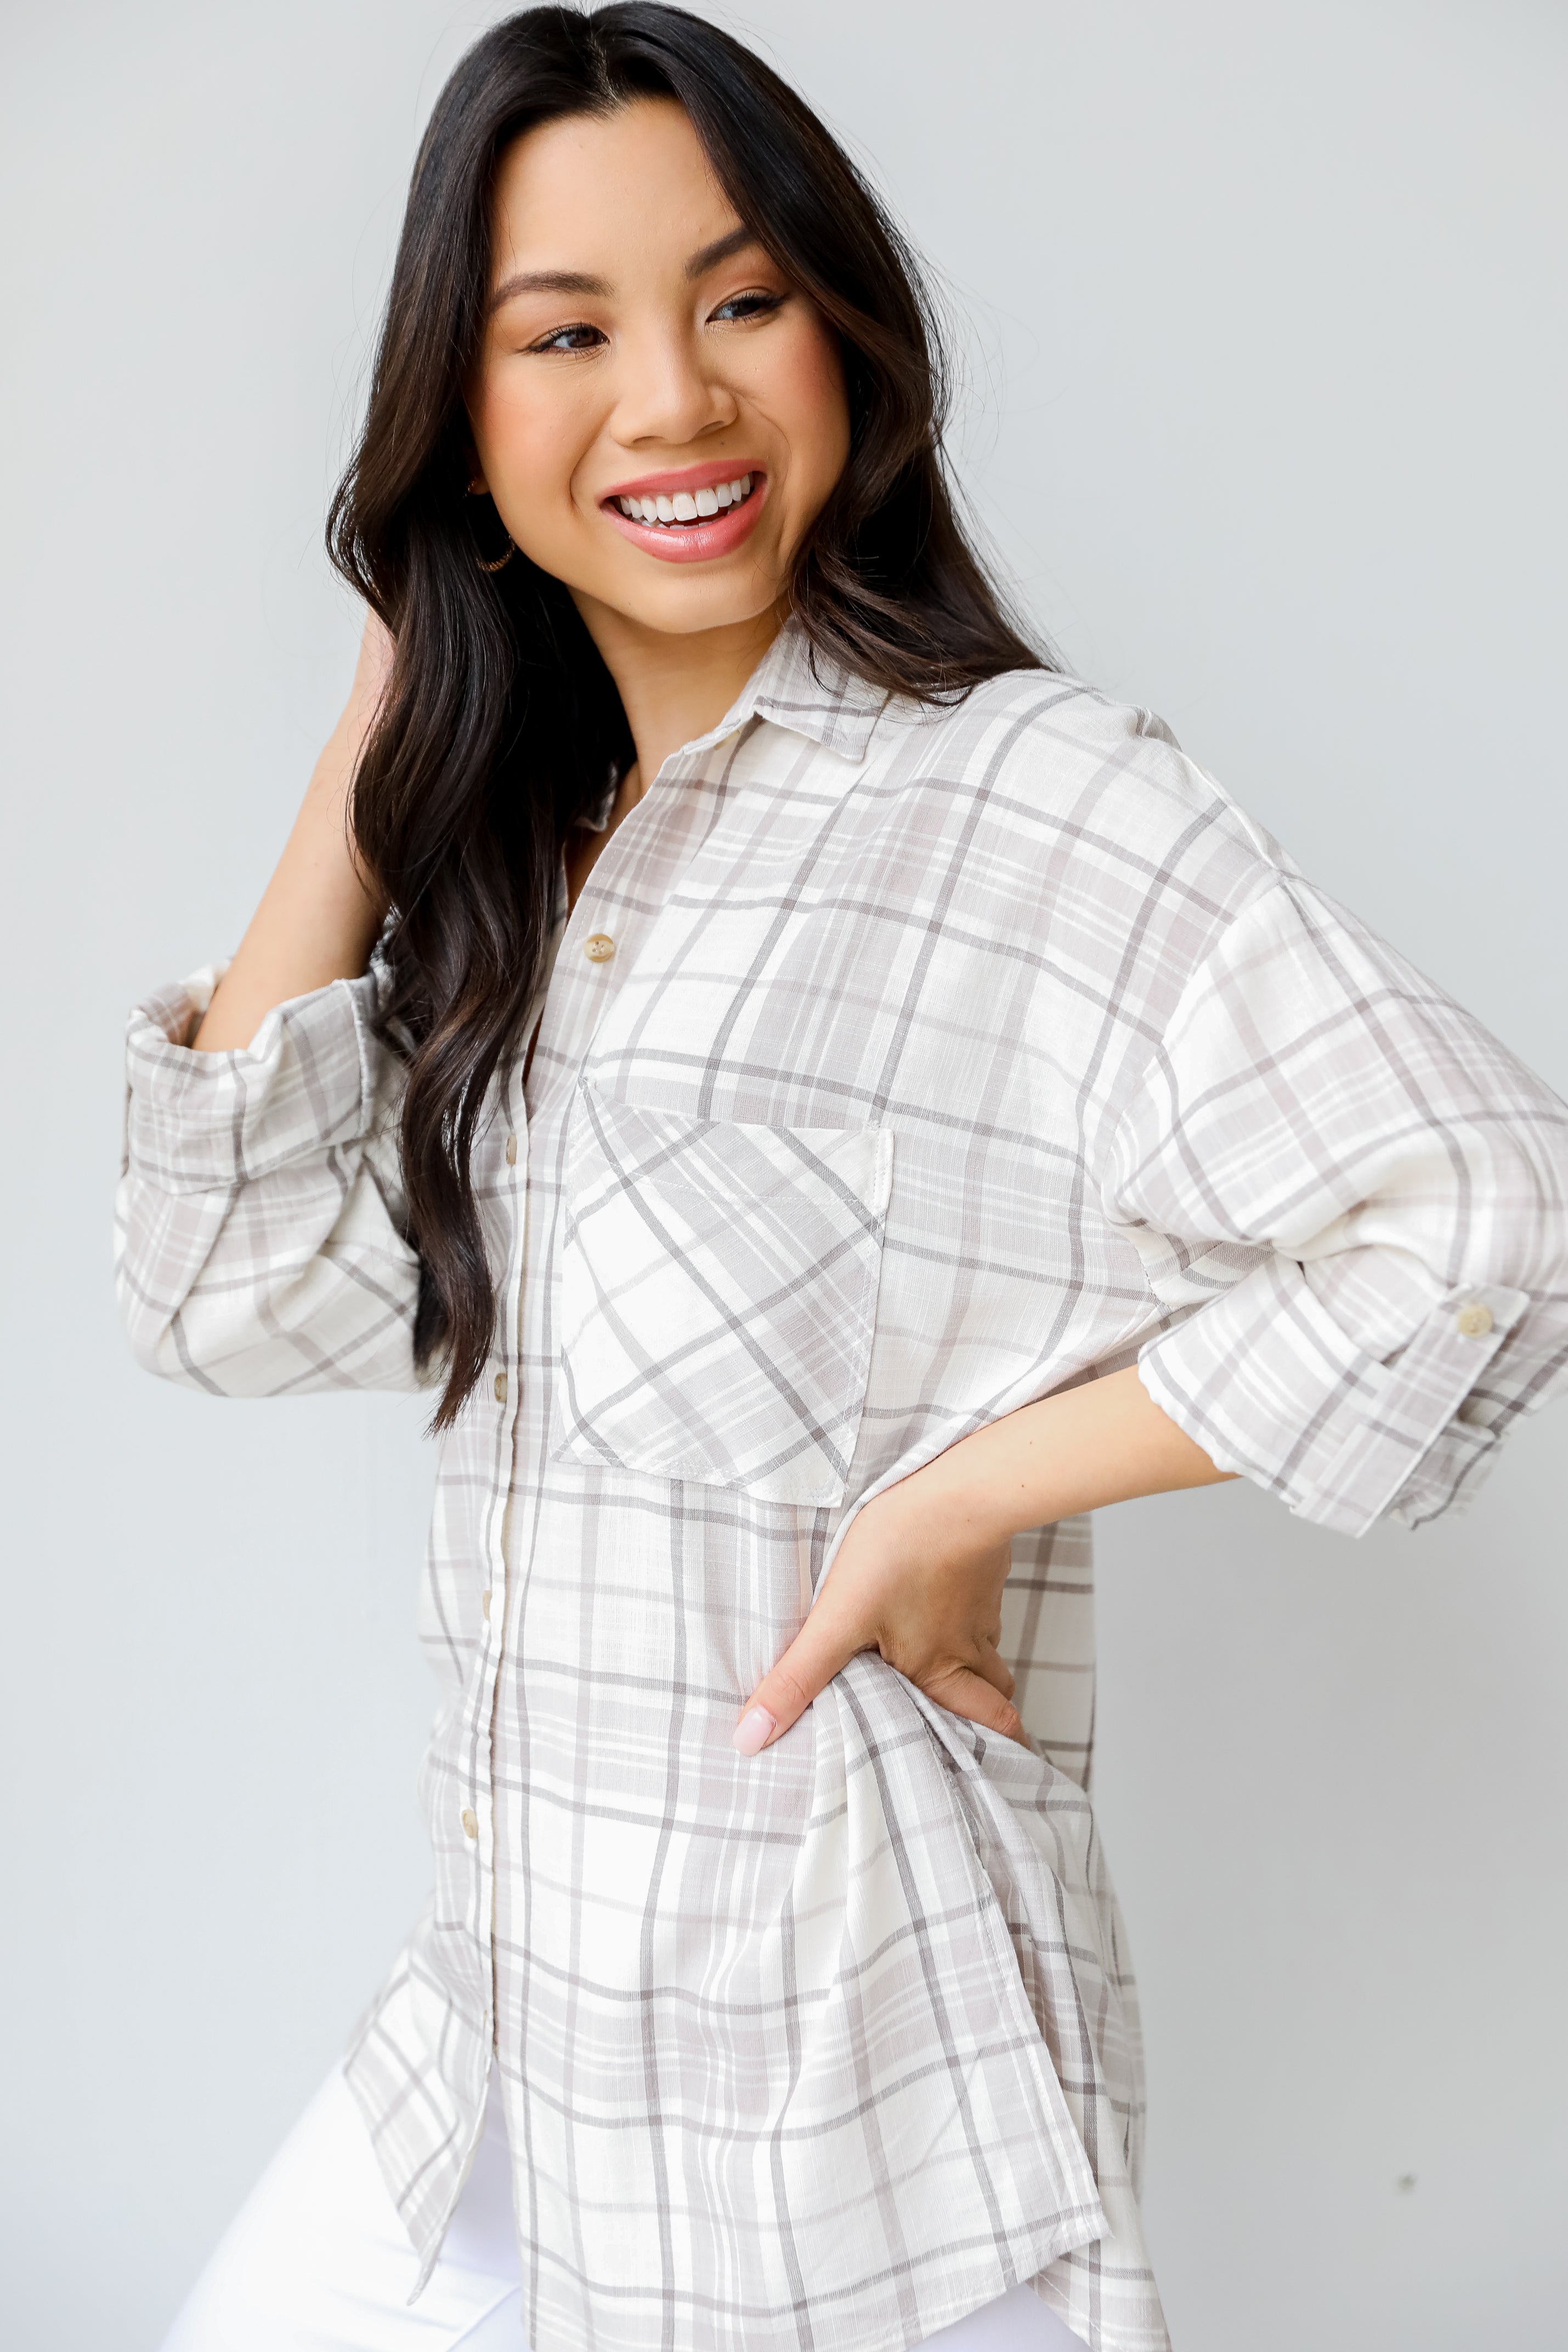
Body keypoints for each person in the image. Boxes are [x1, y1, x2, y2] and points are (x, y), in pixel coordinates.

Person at [116, 7, 1568, 2350]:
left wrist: (960, 1495)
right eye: (563, 335)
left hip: (842, 2143)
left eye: (741, 300)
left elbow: (1487, 1214)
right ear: (459, 426)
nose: (673, 399)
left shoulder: (1030, 804)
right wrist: (377, 735)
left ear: (844, 338)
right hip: (502, 2052)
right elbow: (220, 1290)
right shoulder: (536, 874)